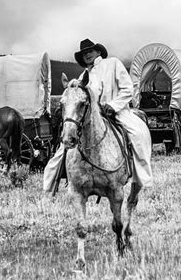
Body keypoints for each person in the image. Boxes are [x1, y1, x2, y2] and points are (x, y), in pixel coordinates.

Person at [43, 39, 153, 193]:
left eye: (90, 51)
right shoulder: (83, 75)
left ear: (98, 52)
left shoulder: (113, 64)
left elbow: (127, 89)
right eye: (84, 53)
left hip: (117, 112)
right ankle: (51, 187)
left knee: (137, 135)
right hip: (92, 118)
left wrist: (113, 106)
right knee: (65, 146)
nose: (87, 54)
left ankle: (141, 178)